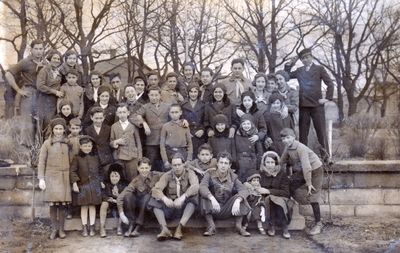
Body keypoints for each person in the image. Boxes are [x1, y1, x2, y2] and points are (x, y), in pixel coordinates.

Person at [284, 48, 334, 153]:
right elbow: (286, 77)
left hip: (317, 106)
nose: (305, 60)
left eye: (307, 57)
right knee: (303, 134)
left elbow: (330, 83)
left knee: (321, 132)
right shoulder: (299, 71)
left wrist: (327, 98)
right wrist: (290, 64)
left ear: (311, 57)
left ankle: (326, 158)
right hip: (304, 106)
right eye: (303, 58)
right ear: (301, 60)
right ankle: (303, 156)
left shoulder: (319, 69)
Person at [280, 128, 324, 235]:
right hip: (306, 170)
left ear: (294, 137)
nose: (286, 140)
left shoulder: (301, 148)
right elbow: (282, 160)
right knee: (289, 183)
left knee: (313, 196)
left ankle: (318, 223)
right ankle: (290, 210)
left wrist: (309, 183)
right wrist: (275, 169)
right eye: (283, 138)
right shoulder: (288, 147)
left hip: (315, 170)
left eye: (288, 138)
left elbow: (307, 167)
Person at [149, 153, 199, 241]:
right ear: (171, 166)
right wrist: (164, 199)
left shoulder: (190, 173)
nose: (177, 167)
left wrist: (183, 197)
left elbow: (195, 186)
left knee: (194, 198)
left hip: (183, 207)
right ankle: (164, 229)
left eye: (179, 164)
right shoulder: (167, 175)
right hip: (170, 206)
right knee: (154, 201)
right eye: (174, 165)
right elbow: (155, 190)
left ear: (183, 164)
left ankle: (179, 228)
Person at [199, 151, 251, 237]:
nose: (223, 165)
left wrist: (238, 200)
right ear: (217, 164)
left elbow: (243, 190)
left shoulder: (233, 176)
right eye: (221, 162)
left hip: (227, 208)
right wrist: (211, 198)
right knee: (204, 197)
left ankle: (239, 226)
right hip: (213, 207)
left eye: (226, 163)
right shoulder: (209, 174)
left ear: (229, 165)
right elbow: (202, 187)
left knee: (241, 198)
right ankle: (211, 226)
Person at [37, 118, 71, 240]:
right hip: (51, 177)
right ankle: (54, 229)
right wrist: (41, 178)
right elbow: (42, 162)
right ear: (52, 129)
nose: (58, 131)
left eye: (60, 129)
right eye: (56, 129)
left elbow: (72, 160)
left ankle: (61, 229)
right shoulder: (47, 143)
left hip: (64, 177)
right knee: (53, 205)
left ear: (64, 129)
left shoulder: (68, 143)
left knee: (62, 205)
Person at [117, 157, 163, 237]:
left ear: (150, 167)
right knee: (128, 196)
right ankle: (131, 224)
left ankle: (138, 227)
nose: (144, 170)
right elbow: (121, 197)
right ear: (138, 168)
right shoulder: (135, 181)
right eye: (142, 168)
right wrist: (121, 214)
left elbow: (169, 174)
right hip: (140, 209)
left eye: (146, 168)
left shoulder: (156, 175)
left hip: (152, 207)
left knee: (147, 196)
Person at [70, 135, 104, 237]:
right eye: (85, 146)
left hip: (94, 185)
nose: (87, 148)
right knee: (84, 206)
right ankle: (84, 227)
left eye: (89, 146)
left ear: (92, 146)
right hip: (83, 186)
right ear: (80, 147)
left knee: (92, 205)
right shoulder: (77, 158)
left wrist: (101, 181)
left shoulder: (96, 158)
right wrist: (75, 183)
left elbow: (101, 171)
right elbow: (72, 171)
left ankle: (92, 226)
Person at [4, 39, 46, 119]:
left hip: (42, 94)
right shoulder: (25, 62)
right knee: (27, 123)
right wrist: (18, 90)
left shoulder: (45, 62)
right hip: (29, 94)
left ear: (43, 50)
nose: (38, 51)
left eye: (41, 49)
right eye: (36, 49)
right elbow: (8, 74)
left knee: (40, 123)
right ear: (31, 50)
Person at [134, 86, 171, 171]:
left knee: (166, 164)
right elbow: (135, 116)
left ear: (160, 95)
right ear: (149, 96)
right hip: (151, 141)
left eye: (156, 95)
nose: (154, 97)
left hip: (165, 140)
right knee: (151, 164)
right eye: (152, 95)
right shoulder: (146, 107)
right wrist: (144, 123)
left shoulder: (167, 106)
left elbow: (175, 117)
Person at [259, 151, 292, 239]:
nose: (270, 165)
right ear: (264, 163)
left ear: (276, 163)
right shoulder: (261, 174)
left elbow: (286, 192)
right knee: (270, 200)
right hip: (266, 199)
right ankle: (271, 225)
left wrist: (269, 191)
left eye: (272, 162)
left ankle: (284, 227)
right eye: (268, 162)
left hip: (281, 198)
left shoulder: (282, 174)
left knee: (278, 202)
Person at [110, 103, 142, 182]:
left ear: (128, 113)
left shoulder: (133, 126)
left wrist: (139, 157)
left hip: (132, 157)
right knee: (121, 178)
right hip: (119, 157)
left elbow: (138, 142)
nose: (122, 115)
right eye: (120, 112)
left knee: (133, 179)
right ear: (117, 114)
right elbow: (111, 141)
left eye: (124, 112)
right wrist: (116, 142)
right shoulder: (114, 126)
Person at [36, 49, 64, 131]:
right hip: (44, 99)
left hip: (54, 101)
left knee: (52, 121)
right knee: (44, 122)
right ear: (50, 59)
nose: (56, 61)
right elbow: (40, 86)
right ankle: (41, 142)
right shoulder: (44, 70)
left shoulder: (59, 73)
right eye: (54, 58)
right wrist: (55, 92)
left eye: (58, 59)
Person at [160, 104, 193, 170]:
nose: (174, 114)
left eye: (176, 112)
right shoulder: (165, 126)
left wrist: (189, 159)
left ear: (180, 112)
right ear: (169, 113)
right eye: (172, 112)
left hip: (183, 152)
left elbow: (189, 143)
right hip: (170, 152)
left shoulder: (184, 125)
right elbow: (162, 145)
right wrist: (165, 160)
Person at [99, 163, 128, 237]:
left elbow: (125, 196)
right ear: (109, 176)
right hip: (110, 202)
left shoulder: (123, 185)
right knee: (104, 204)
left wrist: (117, 198)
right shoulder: (107, 184)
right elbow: (103, 194)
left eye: (116, 176)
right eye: (112, 176)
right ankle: (102, 227)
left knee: (123, 204)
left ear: (120, 176)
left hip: (119, 203)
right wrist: (109, 199)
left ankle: (119, 226)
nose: (114, 178)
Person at [234, 114, 263, 182]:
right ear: (241, 125)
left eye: (248, 123)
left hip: (252, 162)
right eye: (244, 124)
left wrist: (258, 163)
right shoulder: (237, 135)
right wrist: (236, 162)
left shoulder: (255, 135)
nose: (246, 126)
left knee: (251, 179)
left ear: (252, 124)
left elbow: (259, 151)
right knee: (241, 180)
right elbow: (235, 148)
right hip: (240, 162)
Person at [181, 83, 206, 156]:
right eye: (191, 92)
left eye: (195, 92)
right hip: (187, 135)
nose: (193, 94)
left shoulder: (203, 105)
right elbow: (181, 119)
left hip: (199, 135)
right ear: (188, 93)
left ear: (198, 93)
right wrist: (186, 130)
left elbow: (206, 120)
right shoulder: (183, 104)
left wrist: (202, 130)